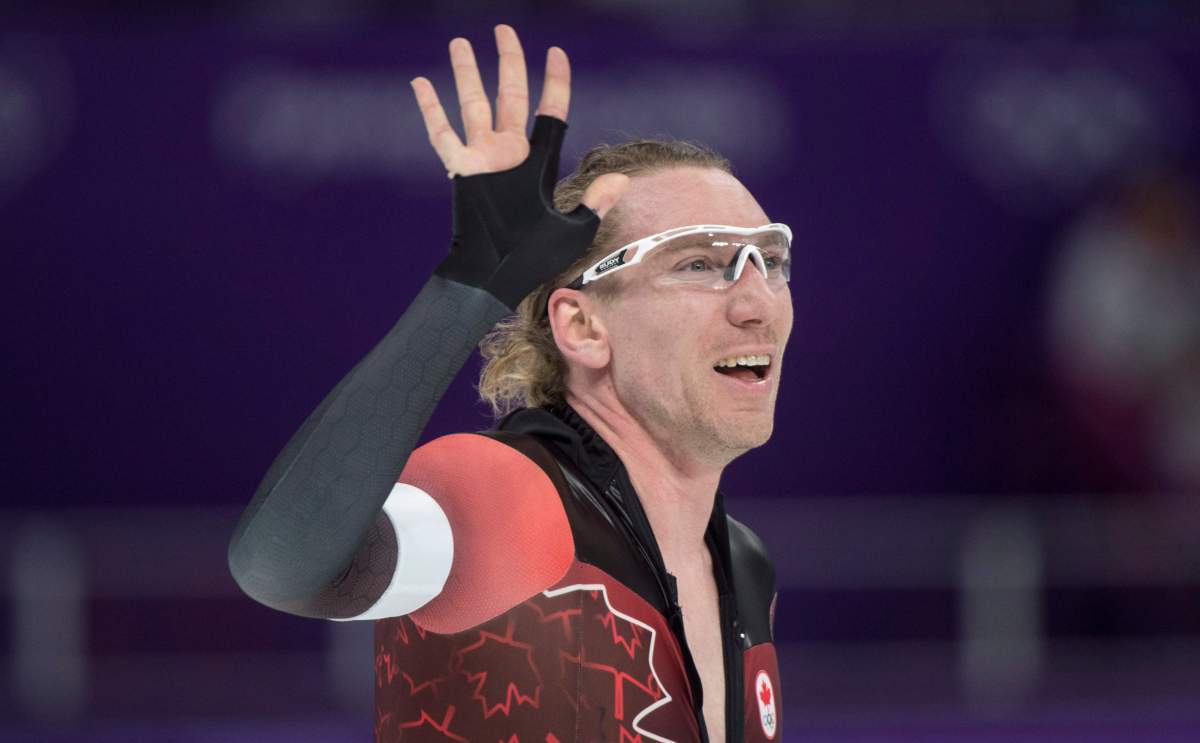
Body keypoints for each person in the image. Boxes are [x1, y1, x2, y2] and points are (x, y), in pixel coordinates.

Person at [228, 24, 791, 743]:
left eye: (767, 260)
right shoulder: (501, 497)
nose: (755, 302)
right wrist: (470, 287)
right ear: (583, 327)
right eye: (698, 265)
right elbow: (281, 566)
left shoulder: (744, 565)